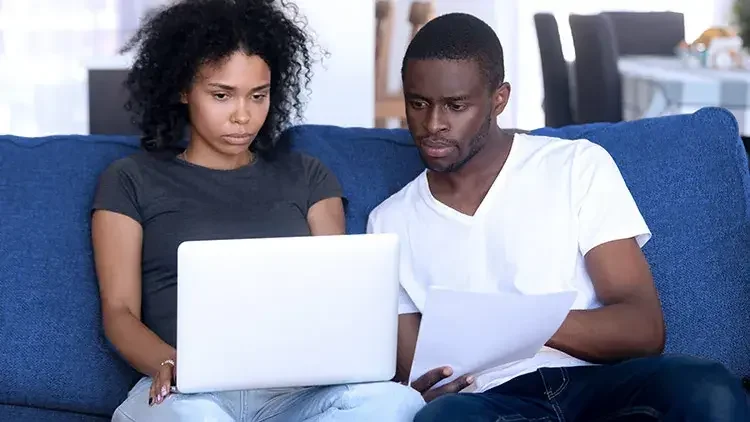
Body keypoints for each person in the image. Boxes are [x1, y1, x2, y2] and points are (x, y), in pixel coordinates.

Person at [367, 12, 750, 422]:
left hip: (598, 384)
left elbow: (643, 328)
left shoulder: (576, 165)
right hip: (491, 401)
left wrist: (519, 323)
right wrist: (427, 391)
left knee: (708, 387)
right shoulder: (390, 221)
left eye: (455, 106)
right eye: (418, 104)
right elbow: (414, 378)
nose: (432, 125)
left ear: (500, 98)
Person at [91, 0, 424, 420]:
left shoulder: (308, 177)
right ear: (182, 89)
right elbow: (119, 311)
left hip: (294, 394)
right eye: (221, 95)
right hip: (188, 393)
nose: (244, 116)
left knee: (400, 403)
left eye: (258, 95)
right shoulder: (129, 180)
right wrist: (170, 364)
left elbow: (339, 300)